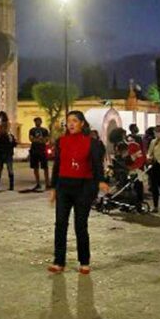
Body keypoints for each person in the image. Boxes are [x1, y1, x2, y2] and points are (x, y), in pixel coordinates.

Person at [48, 111, 107, 275]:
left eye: (74, 121)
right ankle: (59, 261)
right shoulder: (61, 141)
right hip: (64, 187)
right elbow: (57, 165)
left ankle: (84, 261)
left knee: (80, 225)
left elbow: (97, 165)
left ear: (82, 123)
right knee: (60, 224)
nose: (71, 124)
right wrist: (53, 188)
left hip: (83, 188)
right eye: (68, 121)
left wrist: (101, 181)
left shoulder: (92, 143)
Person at [0, 120, 17, 192]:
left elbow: (14, 144)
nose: (1, 130)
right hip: (0, 156)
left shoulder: (10, 136)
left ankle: (11, 186)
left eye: (2, 128)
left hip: (7, 155)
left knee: (10, 170)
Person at [28, 117, 50, 191]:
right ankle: (38, 183)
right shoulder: (32, 130)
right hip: (34, 151)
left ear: (41, 122)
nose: (38, 122)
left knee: (45, 167)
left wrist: (37, 140)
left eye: (39, 121)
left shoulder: (44, 130)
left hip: (42, 150)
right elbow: (31, 139)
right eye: (36, 121)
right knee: (35, 167)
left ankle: (47, 183)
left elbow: (46, 140)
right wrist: (40, 140)